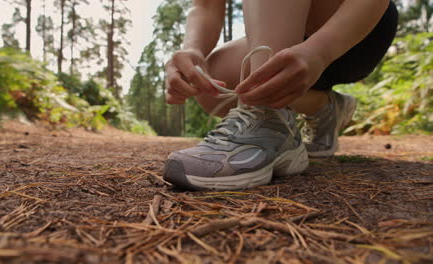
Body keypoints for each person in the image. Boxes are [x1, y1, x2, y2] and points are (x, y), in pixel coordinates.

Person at [162, 0, 398, 190]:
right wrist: (193, 49)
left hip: (357, 25)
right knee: (211, 80)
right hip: (286, 35)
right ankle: (324, 108)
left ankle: (266, 117)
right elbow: (206, 6)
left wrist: (320, 51)